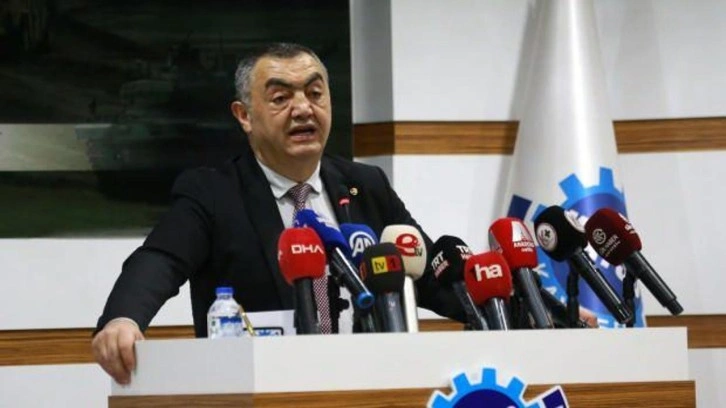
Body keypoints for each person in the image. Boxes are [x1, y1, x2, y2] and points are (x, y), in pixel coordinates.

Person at [91, 43, 465, 385]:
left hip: (368, 386)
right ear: (244, 116)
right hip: (265, 390)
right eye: (281, 98)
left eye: (315, 93)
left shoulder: (365, 185)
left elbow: (427, 272)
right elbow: (161, 259)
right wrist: (123, 319)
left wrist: (490, 302)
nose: (303, 109)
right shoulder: (214, 193)